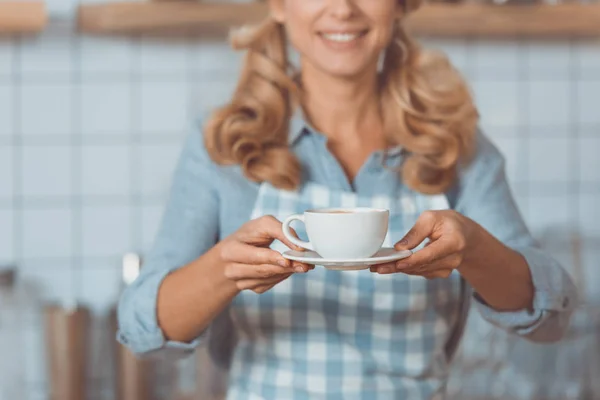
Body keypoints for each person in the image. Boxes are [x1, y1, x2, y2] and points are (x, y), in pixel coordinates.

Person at [117, 0, 577, 398]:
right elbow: (144, 332)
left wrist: (474, 249)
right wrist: (222, 269)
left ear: (399, 4)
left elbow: (551, 317)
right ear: (278, 4)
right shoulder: (223, 144)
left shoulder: (456, 145)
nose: (342, 8)